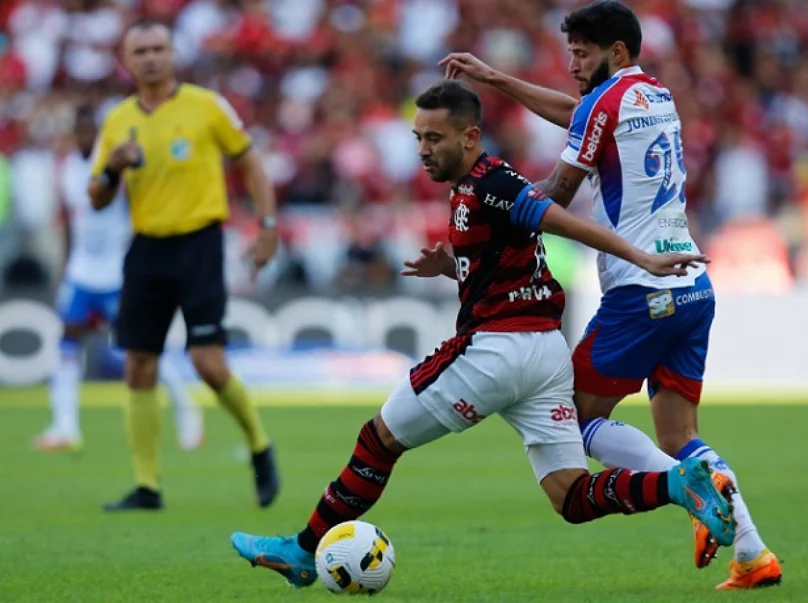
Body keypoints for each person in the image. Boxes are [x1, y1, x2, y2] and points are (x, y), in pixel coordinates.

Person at [228, 80, 735, 589]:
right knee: (570, 495)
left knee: (377, 440)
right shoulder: (472, 189)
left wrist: (641, 257)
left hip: (495, 350)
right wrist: (454, 266)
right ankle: (677, 484)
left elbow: (559, 221)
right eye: (418, 137)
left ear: (470, 138)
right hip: (543, 355)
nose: (424, 150)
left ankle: (301, 551)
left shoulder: (493, 184)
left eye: (435, 138)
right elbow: (509, 259)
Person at [440, 1, 781, 589]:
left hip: (640, 295)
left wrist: (489, 220)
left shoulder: (604, 104)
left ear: (615, 52)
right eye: (570, 51)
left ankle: (689, 493)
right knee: (679, 437)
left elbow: (557, 195)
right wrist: (495, 79)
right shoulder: (654, 95)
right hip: (692, 288)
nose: (572, 62)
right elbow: (580, 114)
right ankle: (753, 555)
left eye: (582, 52)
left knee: (570, 417)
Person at [88, 18, 279, 511]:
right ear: (127, 61)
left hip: (199, 244)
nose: (150, 57)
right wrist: (112, 167)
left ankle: (259, 445)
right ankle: (147, 486)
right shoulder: (117, 121)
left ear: (173, 54)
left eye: (158, 48)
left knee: (208, 364)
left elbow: (251, 162)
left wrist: (267, 226)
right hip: (147, 246)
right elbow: (96, 198)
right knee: (138, 363)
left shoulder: (205, 106)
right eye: (141, 51)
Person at [34, 105, 203, 454]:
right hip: (81, 273)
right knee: (66, 345)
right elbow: (70, 223)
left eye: (88, 132)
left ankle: (189, 413)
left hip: (116, 272)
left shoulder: (116, 167)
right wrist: (65, 268)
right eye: (77, 132)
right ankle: (65, 427)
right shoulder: (66, 168)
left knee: (142, 349)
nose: (82, 138)